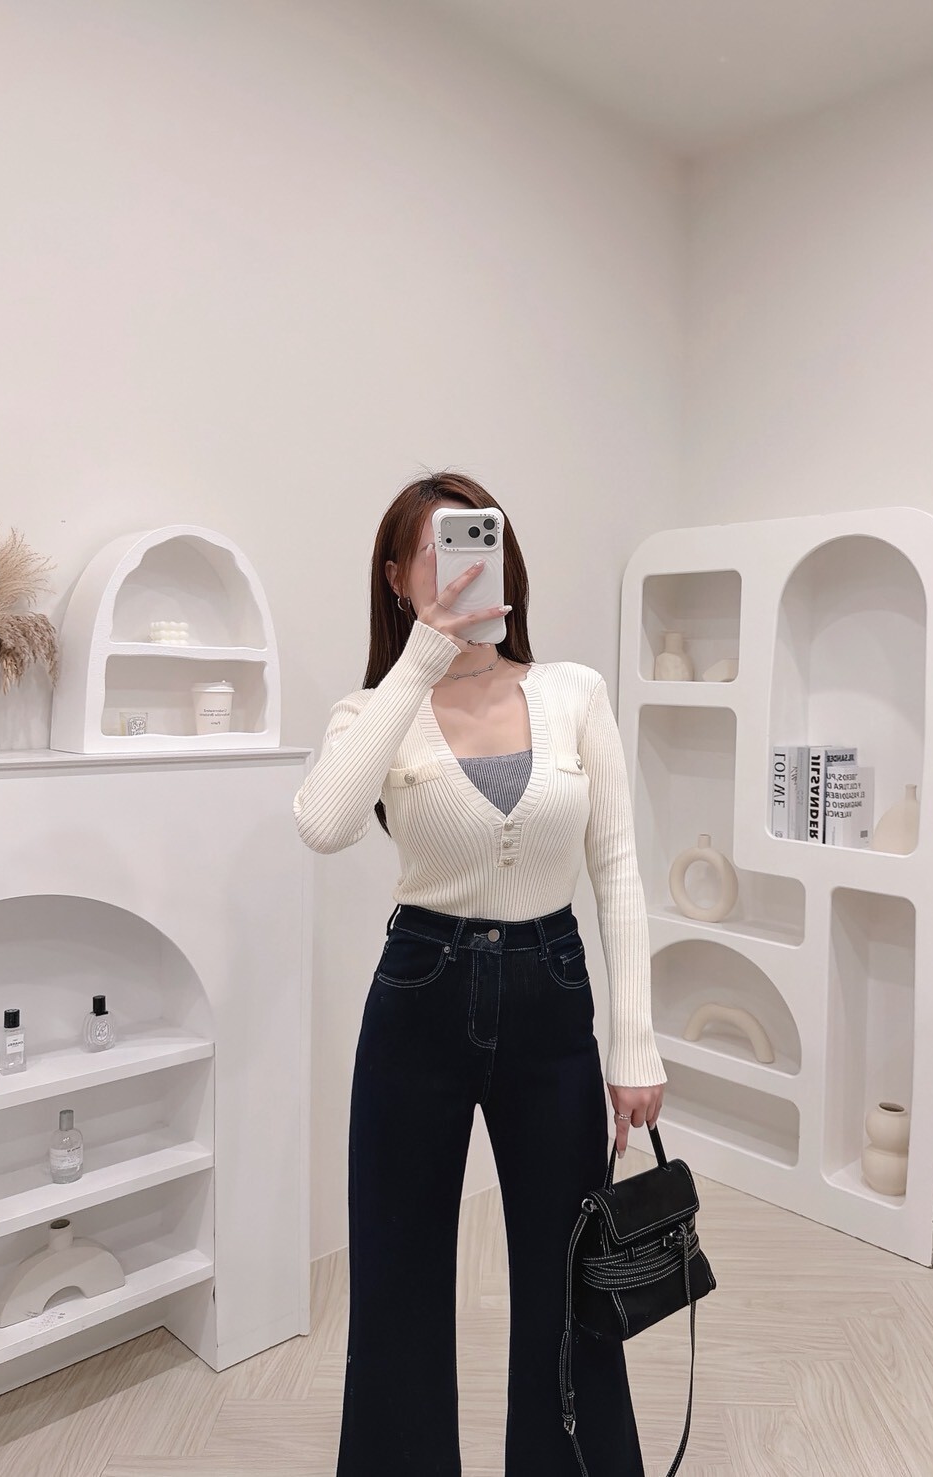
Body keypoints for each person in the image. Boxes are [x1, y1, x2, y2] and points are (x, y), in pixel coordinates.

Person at [293, 471, 668, 1477]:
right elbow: (324, 823)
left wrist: (634, 1043)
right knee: (397, 1272)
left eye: (476, 540)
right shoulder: (374, 709)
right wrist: (421, 656)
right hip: (420, 991)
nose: (461, 564)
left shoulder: (574, 691)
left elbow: (617, 867)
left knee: (570, 1273)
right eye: (436, 549)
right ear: (397, 576)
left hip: (552, 992)